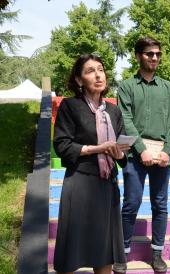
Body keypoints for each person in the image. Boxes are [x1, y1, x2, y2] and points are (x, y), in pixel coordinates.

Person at [53, 53, 130, 274]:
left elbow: (124, 154)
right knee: (72, 249)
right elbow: (62, 146)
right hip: (80, 183)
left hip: (107, 186)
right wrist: (98, 148)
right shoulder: (70, 106)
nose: (98, 75)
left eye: (100, 69)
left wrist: (118, 154)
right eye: (90, 71)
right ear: (79, 80)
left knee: (105, 250)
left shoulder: (114, 111)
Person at [113, 36, 170, 273]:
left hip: (161, 155)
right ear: (138, 55)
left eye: (158, 54)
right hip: (135, 156)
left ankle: (157, 254)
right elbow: (125, 120)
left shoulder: (169, 87)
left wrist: (167, 151)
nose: (155, 58)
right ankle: (122, 254)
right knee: (131, 203)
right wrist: (141, 151)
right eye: (150, 53)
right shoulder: (127, 86)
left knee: (160, 205)